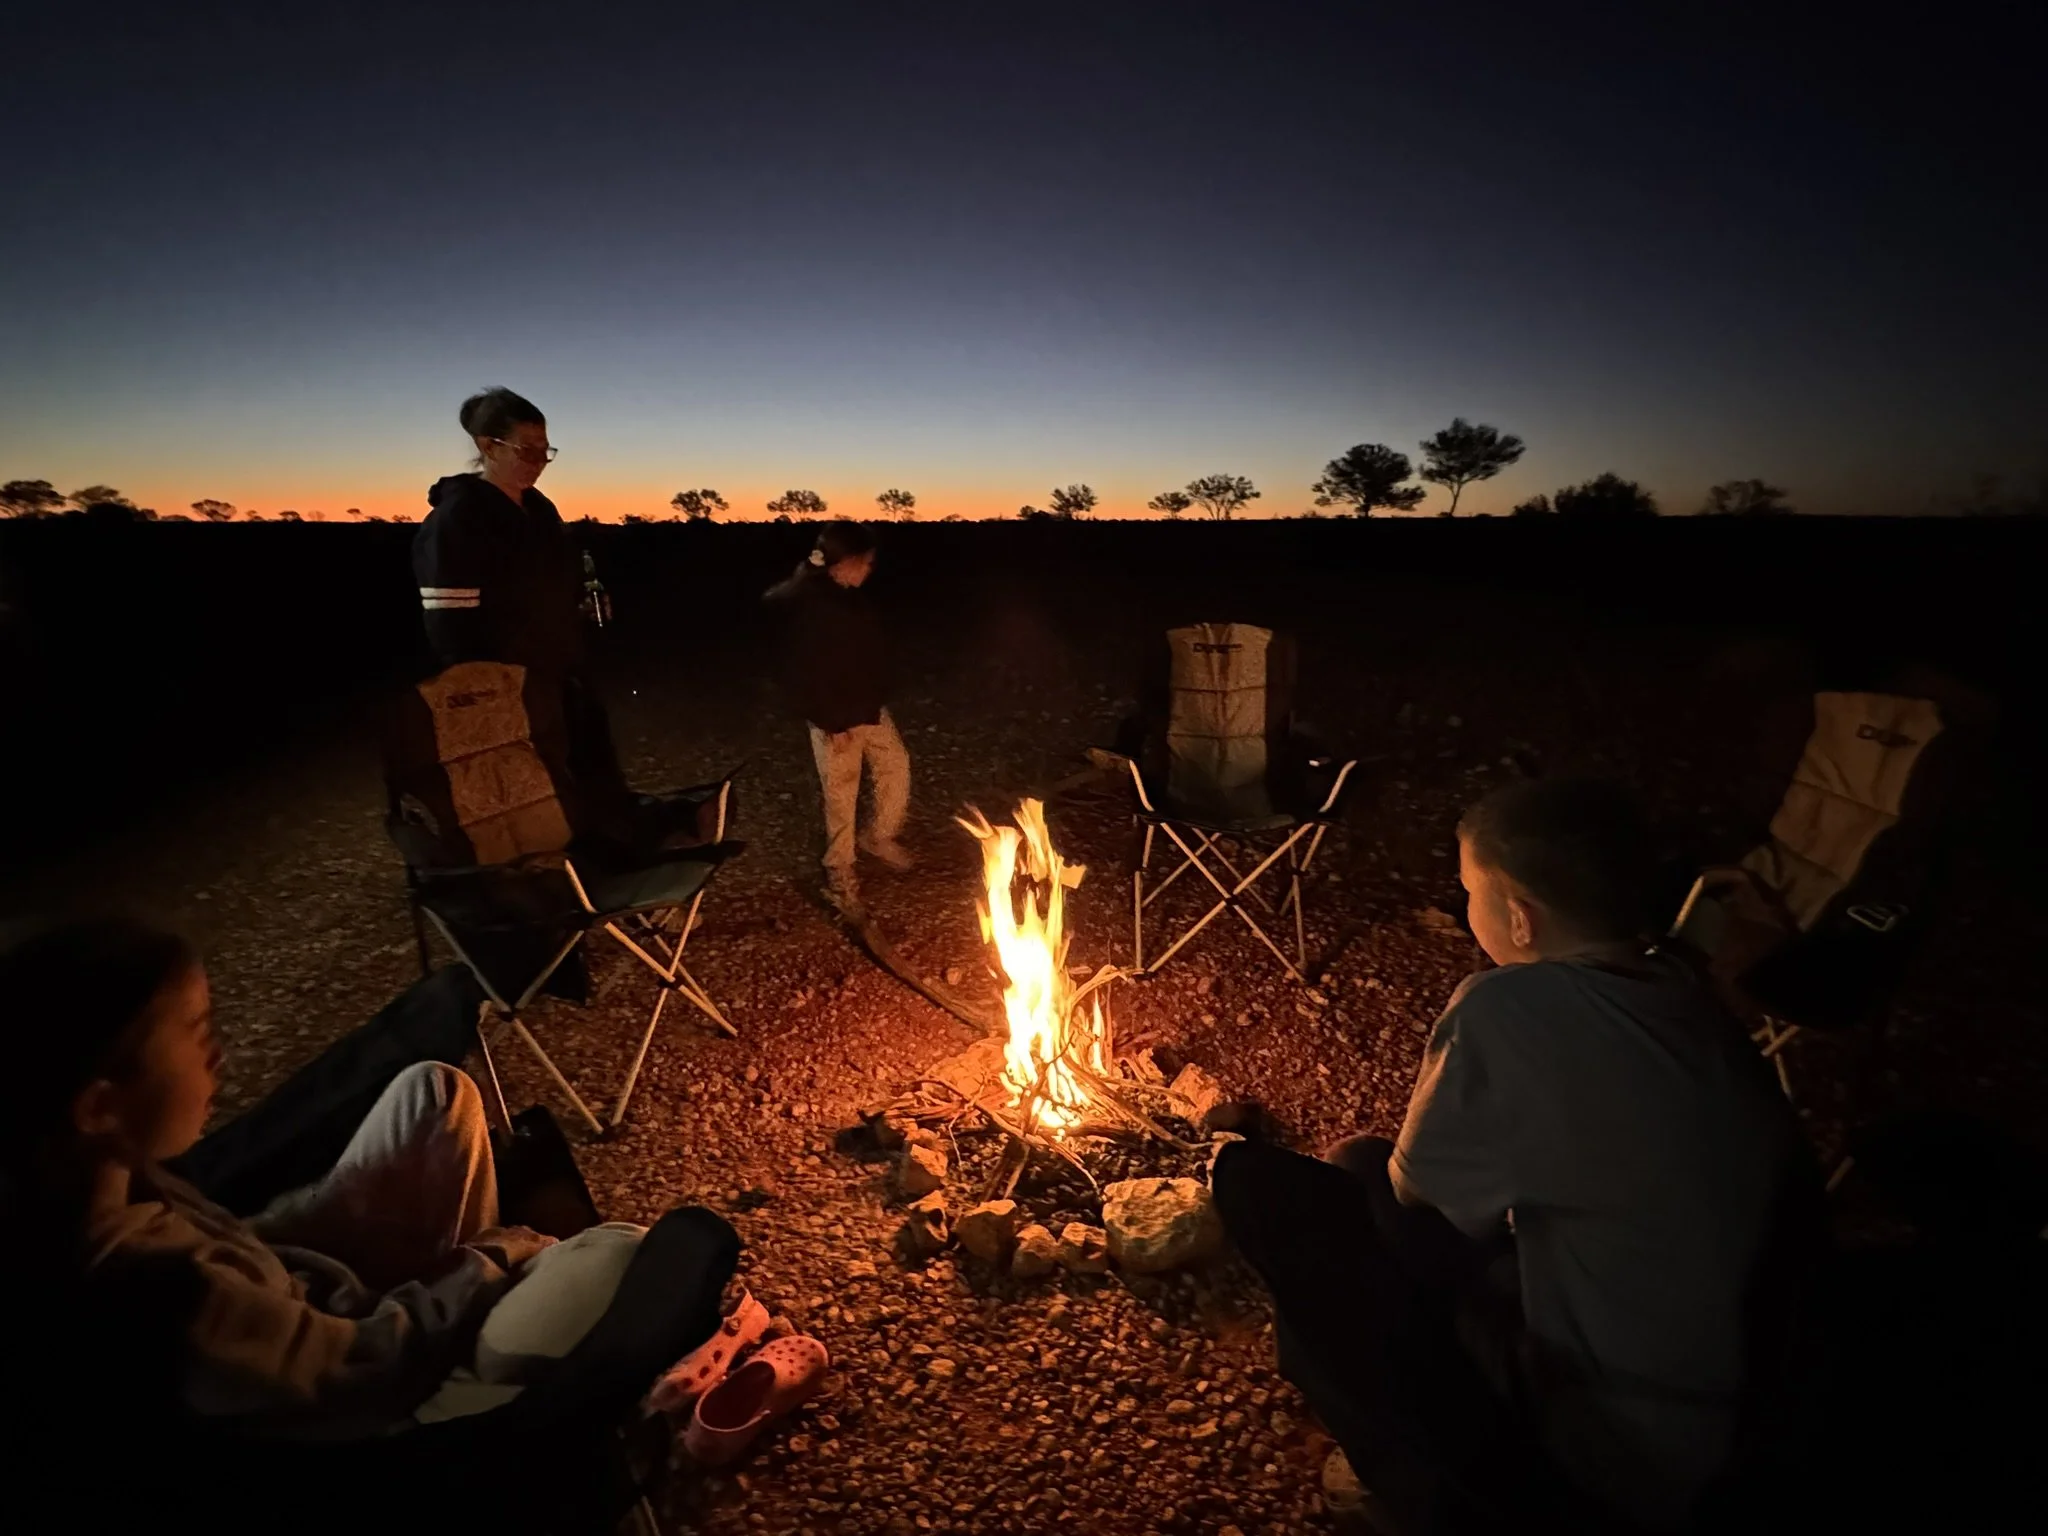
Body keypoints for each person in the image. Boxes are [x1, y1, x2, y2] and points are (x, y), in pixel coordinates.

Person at [1212, 778, 1821, 1534]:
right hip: (1743, 1413)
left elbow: (1414, 1198)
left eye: (1469, 892)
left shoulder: (1504, 1009)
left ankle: (1420, 1483)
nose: (1466, 911)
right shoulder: (1682, 990)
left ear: (1521, 921)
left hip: (1625, 1455)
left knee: (1329, 1189)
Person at [7, 917, 555, 1439]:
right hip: (386, 1404)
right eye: (195, 1032)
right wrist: (490, 1261)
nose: (218, 1056)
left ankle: (453, 1297)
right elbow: (371, 1366)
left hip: (326, 1310)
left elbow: (247, 1244)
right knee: (611, 1254)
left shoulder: (109, 1183)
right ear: (100, 1107)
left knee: (435, 1092)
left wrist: (328, 1223)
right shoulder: (168, 1298)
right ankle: (470, 1320)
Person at [412, 386, 633, 819]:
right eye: (525, 450)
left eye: (544, 450)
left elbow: (554, 582)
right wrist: (488, 697)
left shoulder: (539, 510)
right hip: (508, 688)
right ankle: (553, 870)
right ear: (488, 446)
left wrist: (580, 607)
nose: (537, 462)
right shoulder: (456, 522)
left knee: (589, 773)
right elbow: (451, 629)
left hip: (561, 673)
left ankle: (610, 854)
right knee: (537, 792)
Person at [763, 521, 913, 913]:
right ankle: (840, 868)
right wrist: (830, 721)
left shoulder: (847, 596)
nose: (870, 569)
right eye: (866, 562)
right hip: (836, 719)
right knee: (841, 795)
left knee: (895, 767)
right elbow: (801, 673)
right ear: (844, 562)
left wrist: (877, 695)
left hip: (867, 707)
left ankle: (879, 836)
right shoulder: (811, 606)